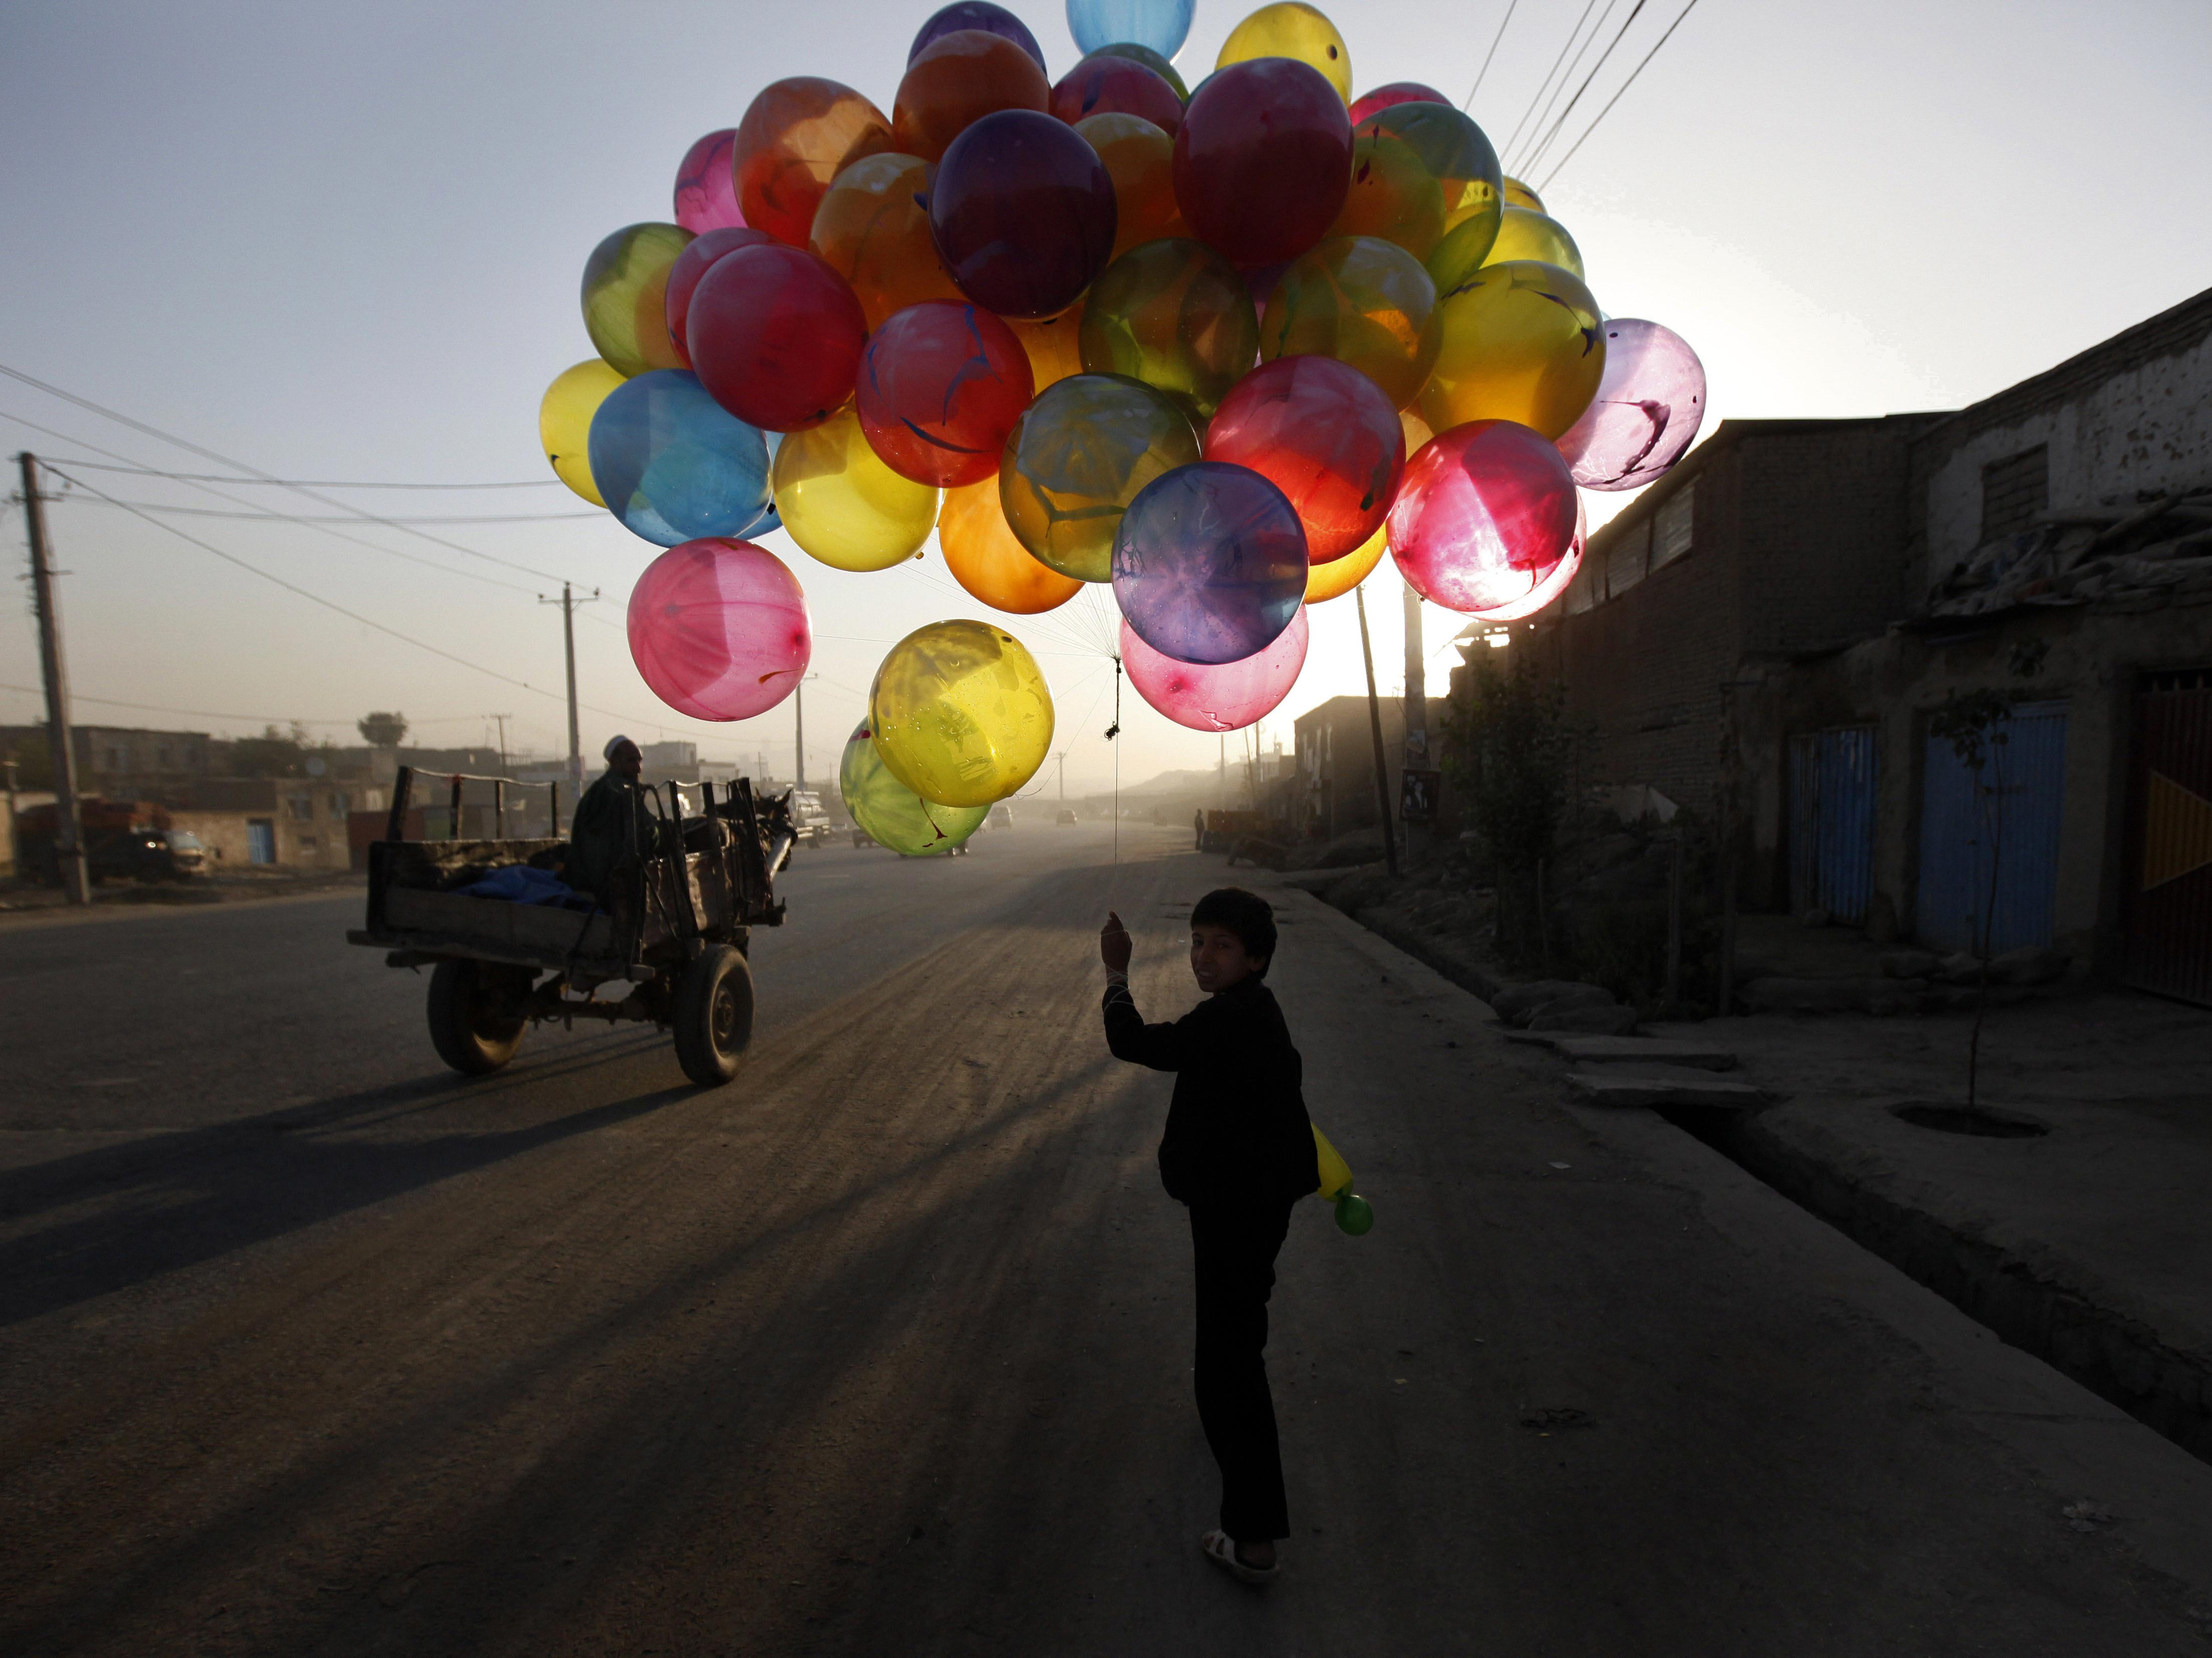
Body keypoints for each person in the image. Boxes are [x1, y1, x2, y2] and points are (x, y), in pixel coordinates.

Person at [1099, 889, 1319, 1587]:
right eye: (1197, 941)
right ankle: (1220, 1420)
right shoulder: (1259, 1011)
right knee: (1234, 1328)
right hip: (1254, 1198)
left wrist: (1114, 974)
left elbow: (1133, 1042)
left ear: (1254, 956)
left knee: (1230, 1362)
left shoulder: (1227, 1019)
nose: (1202, 955)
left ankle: (1253, 1539)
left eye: (1220, 944)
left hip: (1235, 1204)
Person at [566, 734, 657, 901]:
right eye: (631, 760)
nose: (638, 768)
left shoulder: (619, 788)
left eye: (639, 760)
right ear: (614, 761)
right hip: (605, 883)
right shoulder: (615, 792)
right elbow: (645, 834)